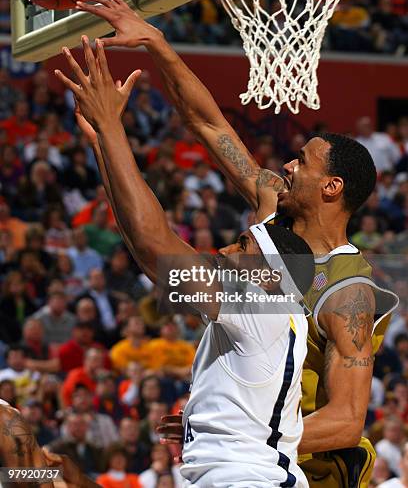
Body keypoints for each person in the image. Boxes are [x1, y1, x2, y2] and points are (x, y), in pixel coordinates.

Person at [77, 0, 399, 488]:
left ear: (332, 188)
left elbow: (347, 421)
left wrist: (249, 434)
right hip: (253, 446)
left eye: (302, 163)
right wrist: (156, 43)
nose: (287, 166)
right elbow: (209, 124)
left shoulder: (348, 290)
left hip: (302, 467)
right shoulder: (275, 209)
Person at [56, 37, 316, 487]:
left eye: (242, 248)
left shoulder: (264, 307)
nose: (226, 252)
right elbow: (145, 250)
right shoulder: (275, 308)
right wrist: (104, 145)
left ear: (268, 277)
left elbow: (157, 249)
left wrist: (113, 129)